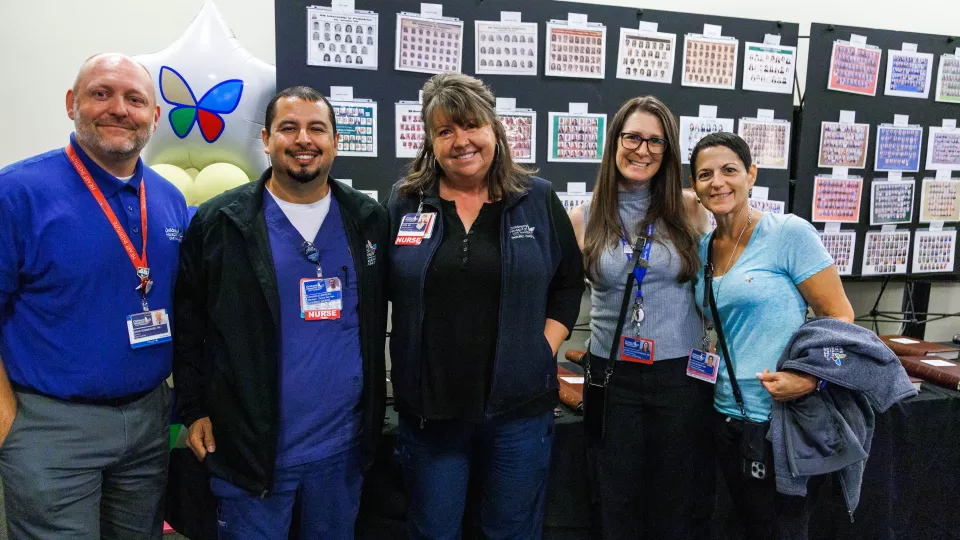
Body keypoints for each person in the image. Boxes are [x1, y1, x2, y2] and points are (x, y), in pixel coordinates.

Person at [174, 86, 388, 540]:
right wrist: (192, 408)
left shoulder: (368, 218)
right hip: (250, 452)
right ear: (267, 139)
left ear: (335, 142)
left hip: (342, 453)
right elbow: (188, 322)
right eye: (288, 128)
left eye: (317, 128)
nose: (303, 139)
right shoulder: (221, 223)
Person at [387, 73, 584, 539]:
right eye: (445, 131)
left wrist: (543, 346)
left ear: (494, 129)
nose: (461, 141)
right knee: (433, 530)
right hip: (431, 410)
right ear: (430, 141)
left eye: (471, 125)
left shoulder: (536, 199)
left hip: (520, 408)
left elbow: (568, 282)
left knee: (510, 531)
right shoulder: (406, 201)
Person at [0, 53, 187, 538]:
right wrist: (6, 421)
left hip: (148, 421)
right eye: (101, 94)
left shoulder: (169, 199)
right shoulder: (16, 193)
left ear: (154, 116)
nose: (119, 109)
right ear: (71, 104)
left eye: (135, 99)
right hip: (51, 425)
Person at [690, 132, 855, 540]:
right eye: (704, 174)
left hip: (783, 422)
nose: (718, 183)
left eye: (730, 170)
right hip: (726, 418)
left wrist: (814, 378)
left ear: (752, 174)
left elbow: (843, 320)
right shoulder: (703, 249)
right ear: (694, 187)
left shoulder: (788, 234)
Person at [569, 96, 712, 540]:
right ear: (614, 143)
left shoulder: (692, 210)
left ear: (667, 152)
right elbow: (554, 295)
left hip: (682, 375)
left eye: (656, 141)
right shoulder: (584, 218)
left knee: (677, 499)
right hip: (612, 378)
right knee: (614, 499)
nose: (642, 150)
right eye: (633, 137)